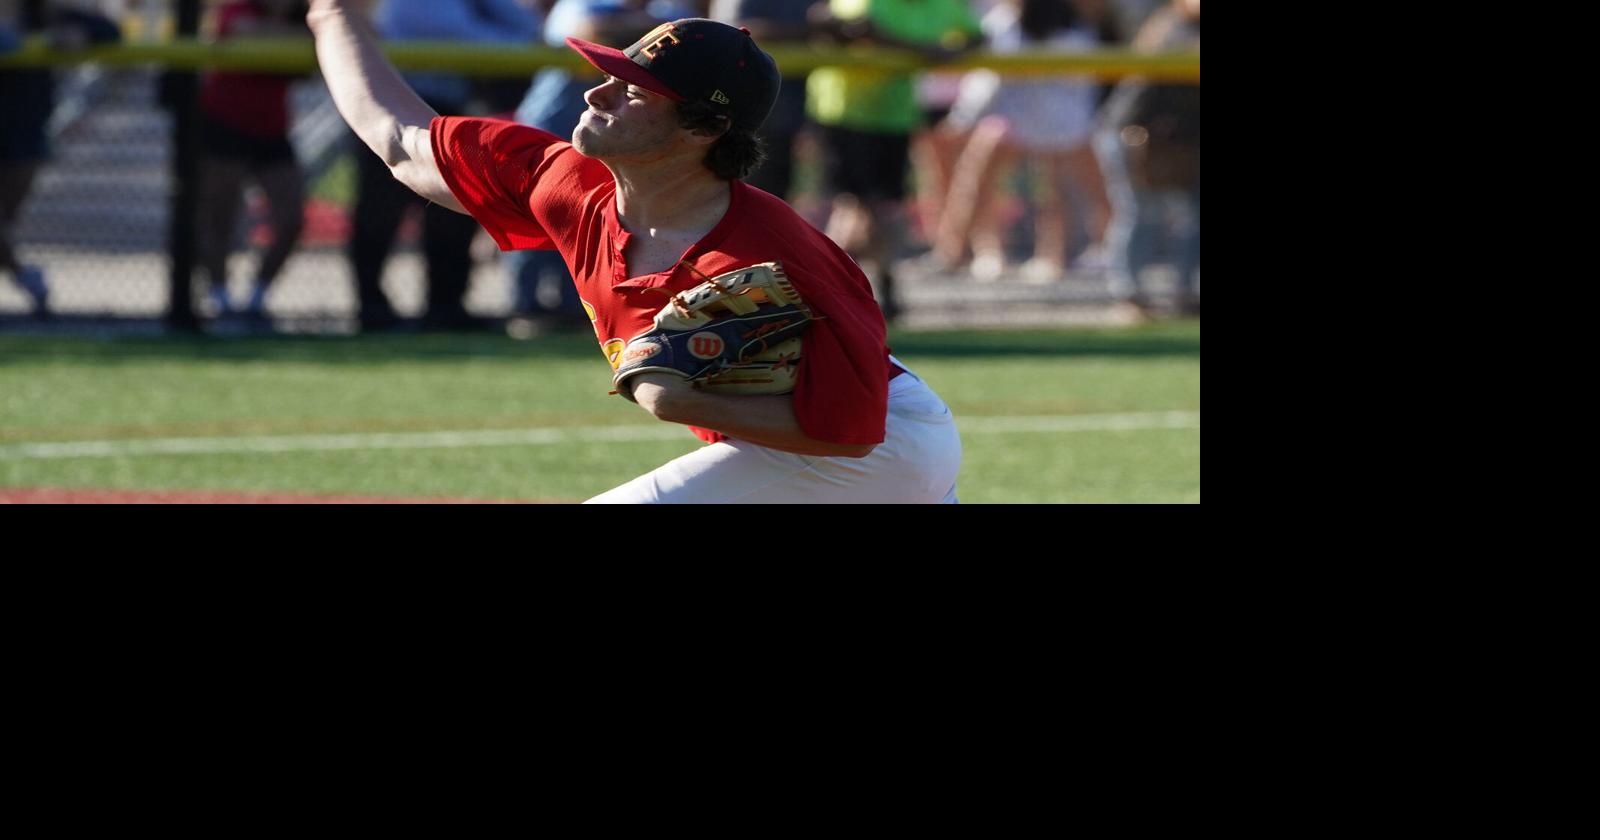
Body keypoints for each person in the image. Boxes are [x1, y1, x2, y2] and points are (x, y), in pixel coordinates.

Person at [306, 1, 962, 503]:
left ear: (703, 129)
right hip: (814, 448)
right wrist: (334, 16)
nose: (597, 94)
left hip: (878, 449)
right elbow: (399, 140)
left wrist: (681, 402)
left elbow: (854, 428)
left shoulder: (770, 255)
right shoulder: (567, 185)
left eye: (632, 90)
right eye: (610, 73)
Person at [347, 0, 539, 332]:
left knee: (452, 213)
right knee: (380, 214)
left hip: (450, 109)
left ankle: (445, 307)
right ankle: (372, 308)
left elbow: (530, 27)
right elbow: (476, 39)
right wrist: (520, 38)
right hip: (395, 109)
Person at [1, 0, 119, 318]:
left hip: (22, 131)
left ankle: (25, 277)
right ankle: (26, 277)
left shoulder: (42, 14)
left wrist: (77, 33)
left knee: (6, 222)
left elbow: (110, 32)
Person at [195, 0, 311, 323]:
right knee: (220, 218)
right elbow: (241, 31)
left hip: (272, 130)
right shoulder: (237, 9)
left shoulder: (303, 16)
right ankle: (218, 297)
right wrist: (293, 38)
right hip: (225, 125)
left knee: (292, 218)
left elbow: (324, 44)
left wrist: (289, 36)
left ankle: (257, 298)